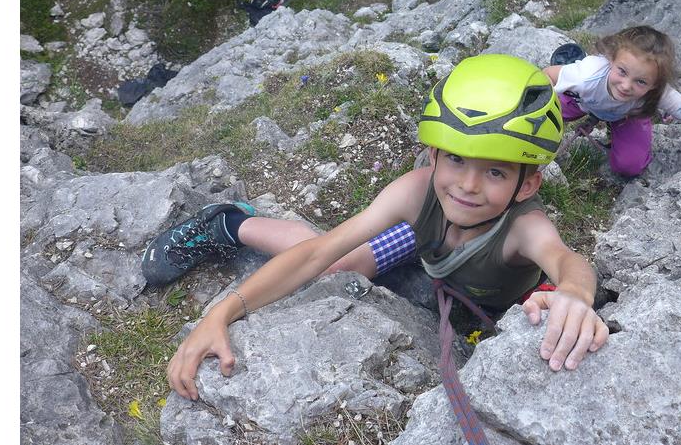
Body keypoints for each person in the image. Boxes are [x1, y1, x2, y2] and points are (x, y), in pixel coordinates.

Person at [146, 54, 609, 401]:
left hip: (438, 252)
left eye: (494, 171)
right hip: (423, 239)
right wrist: (221, 313)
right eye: (456, 159)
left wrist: (574, 294)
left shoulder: (522, 227)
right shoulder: (417, 192)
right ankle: (230, 224)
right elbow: (318, 253)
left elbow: (567, 260)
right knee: (338, 264)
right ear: (433, 156)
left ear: (527, 185)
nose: (467, 185)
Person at [543, 26, 681, 177]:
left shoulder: (660, 93)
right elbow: (547, 75)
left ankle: (628, 121)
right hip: (582, 99)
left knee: (629, 166)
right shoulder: (587, 74)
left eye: (641, 81)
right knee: (542, 116)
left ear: (655, 84)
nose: (626, 86)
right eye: (622, 71)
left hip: (628, 114)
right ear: (611, 59)